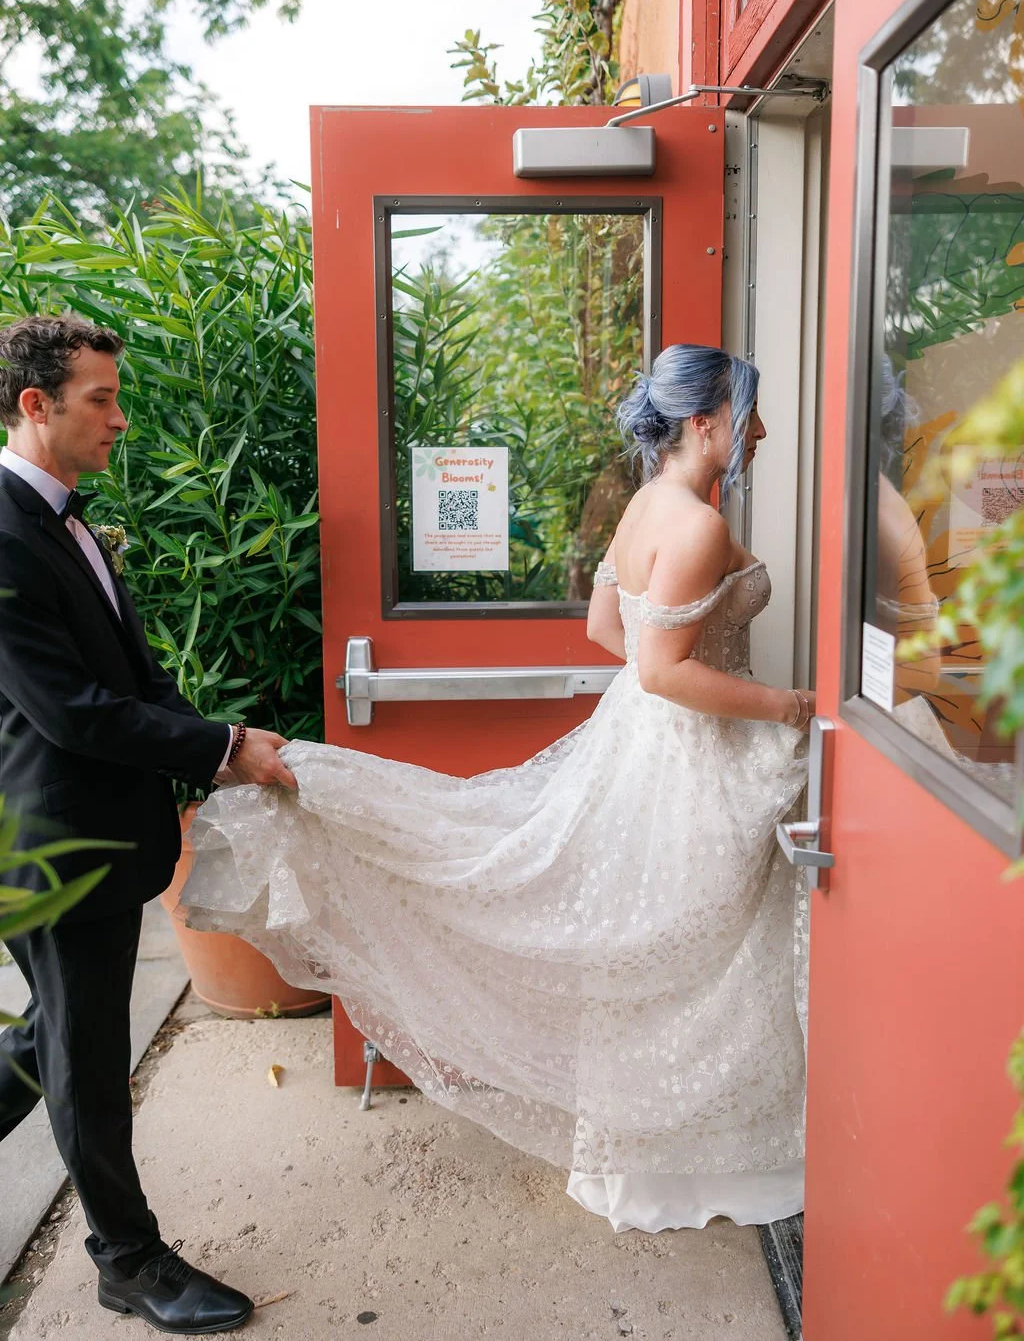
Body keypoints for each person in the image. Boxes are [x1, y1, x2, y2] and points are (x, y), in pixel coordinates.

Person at [184, 342, 817, 1234]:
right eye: (749, 410)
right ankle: (698, 1166)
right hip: (693, 760)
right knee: (688, 957)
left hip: (646, 751)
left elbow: (610, 628)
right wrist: (784, 704)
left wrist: (658, 691)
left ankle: (641, 1169)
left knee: (658, 955)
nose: (762, 426)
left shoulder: (648, 505)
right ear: (705, 421)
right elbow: (664, 668)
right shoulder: (700, 524)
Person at [0, 316, 296, 1335]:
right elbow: (69, 709)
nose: (121, 419)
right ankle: (127, 1259)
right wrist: (217, 748)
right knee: (84, 1053)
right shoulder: (1, 529)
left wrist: (207, 740)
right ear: (35, 403)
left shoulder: (65, 517)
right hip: (53, 848)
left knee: (53, 1035)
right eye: (102, 399)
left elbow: (130, 673)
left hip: (91, 832)